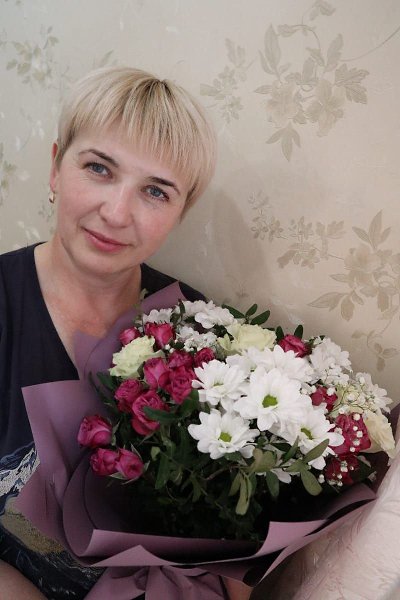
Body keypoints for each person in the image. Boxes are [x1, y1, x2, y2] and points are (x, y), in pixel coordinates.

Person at [0, 66, 251, 600]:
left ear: (180, 213)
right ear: (55, 168)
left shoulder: (205, 338)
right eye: (99, 168)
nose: (116, 213)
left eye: (155, 192)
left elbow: (234, 541)